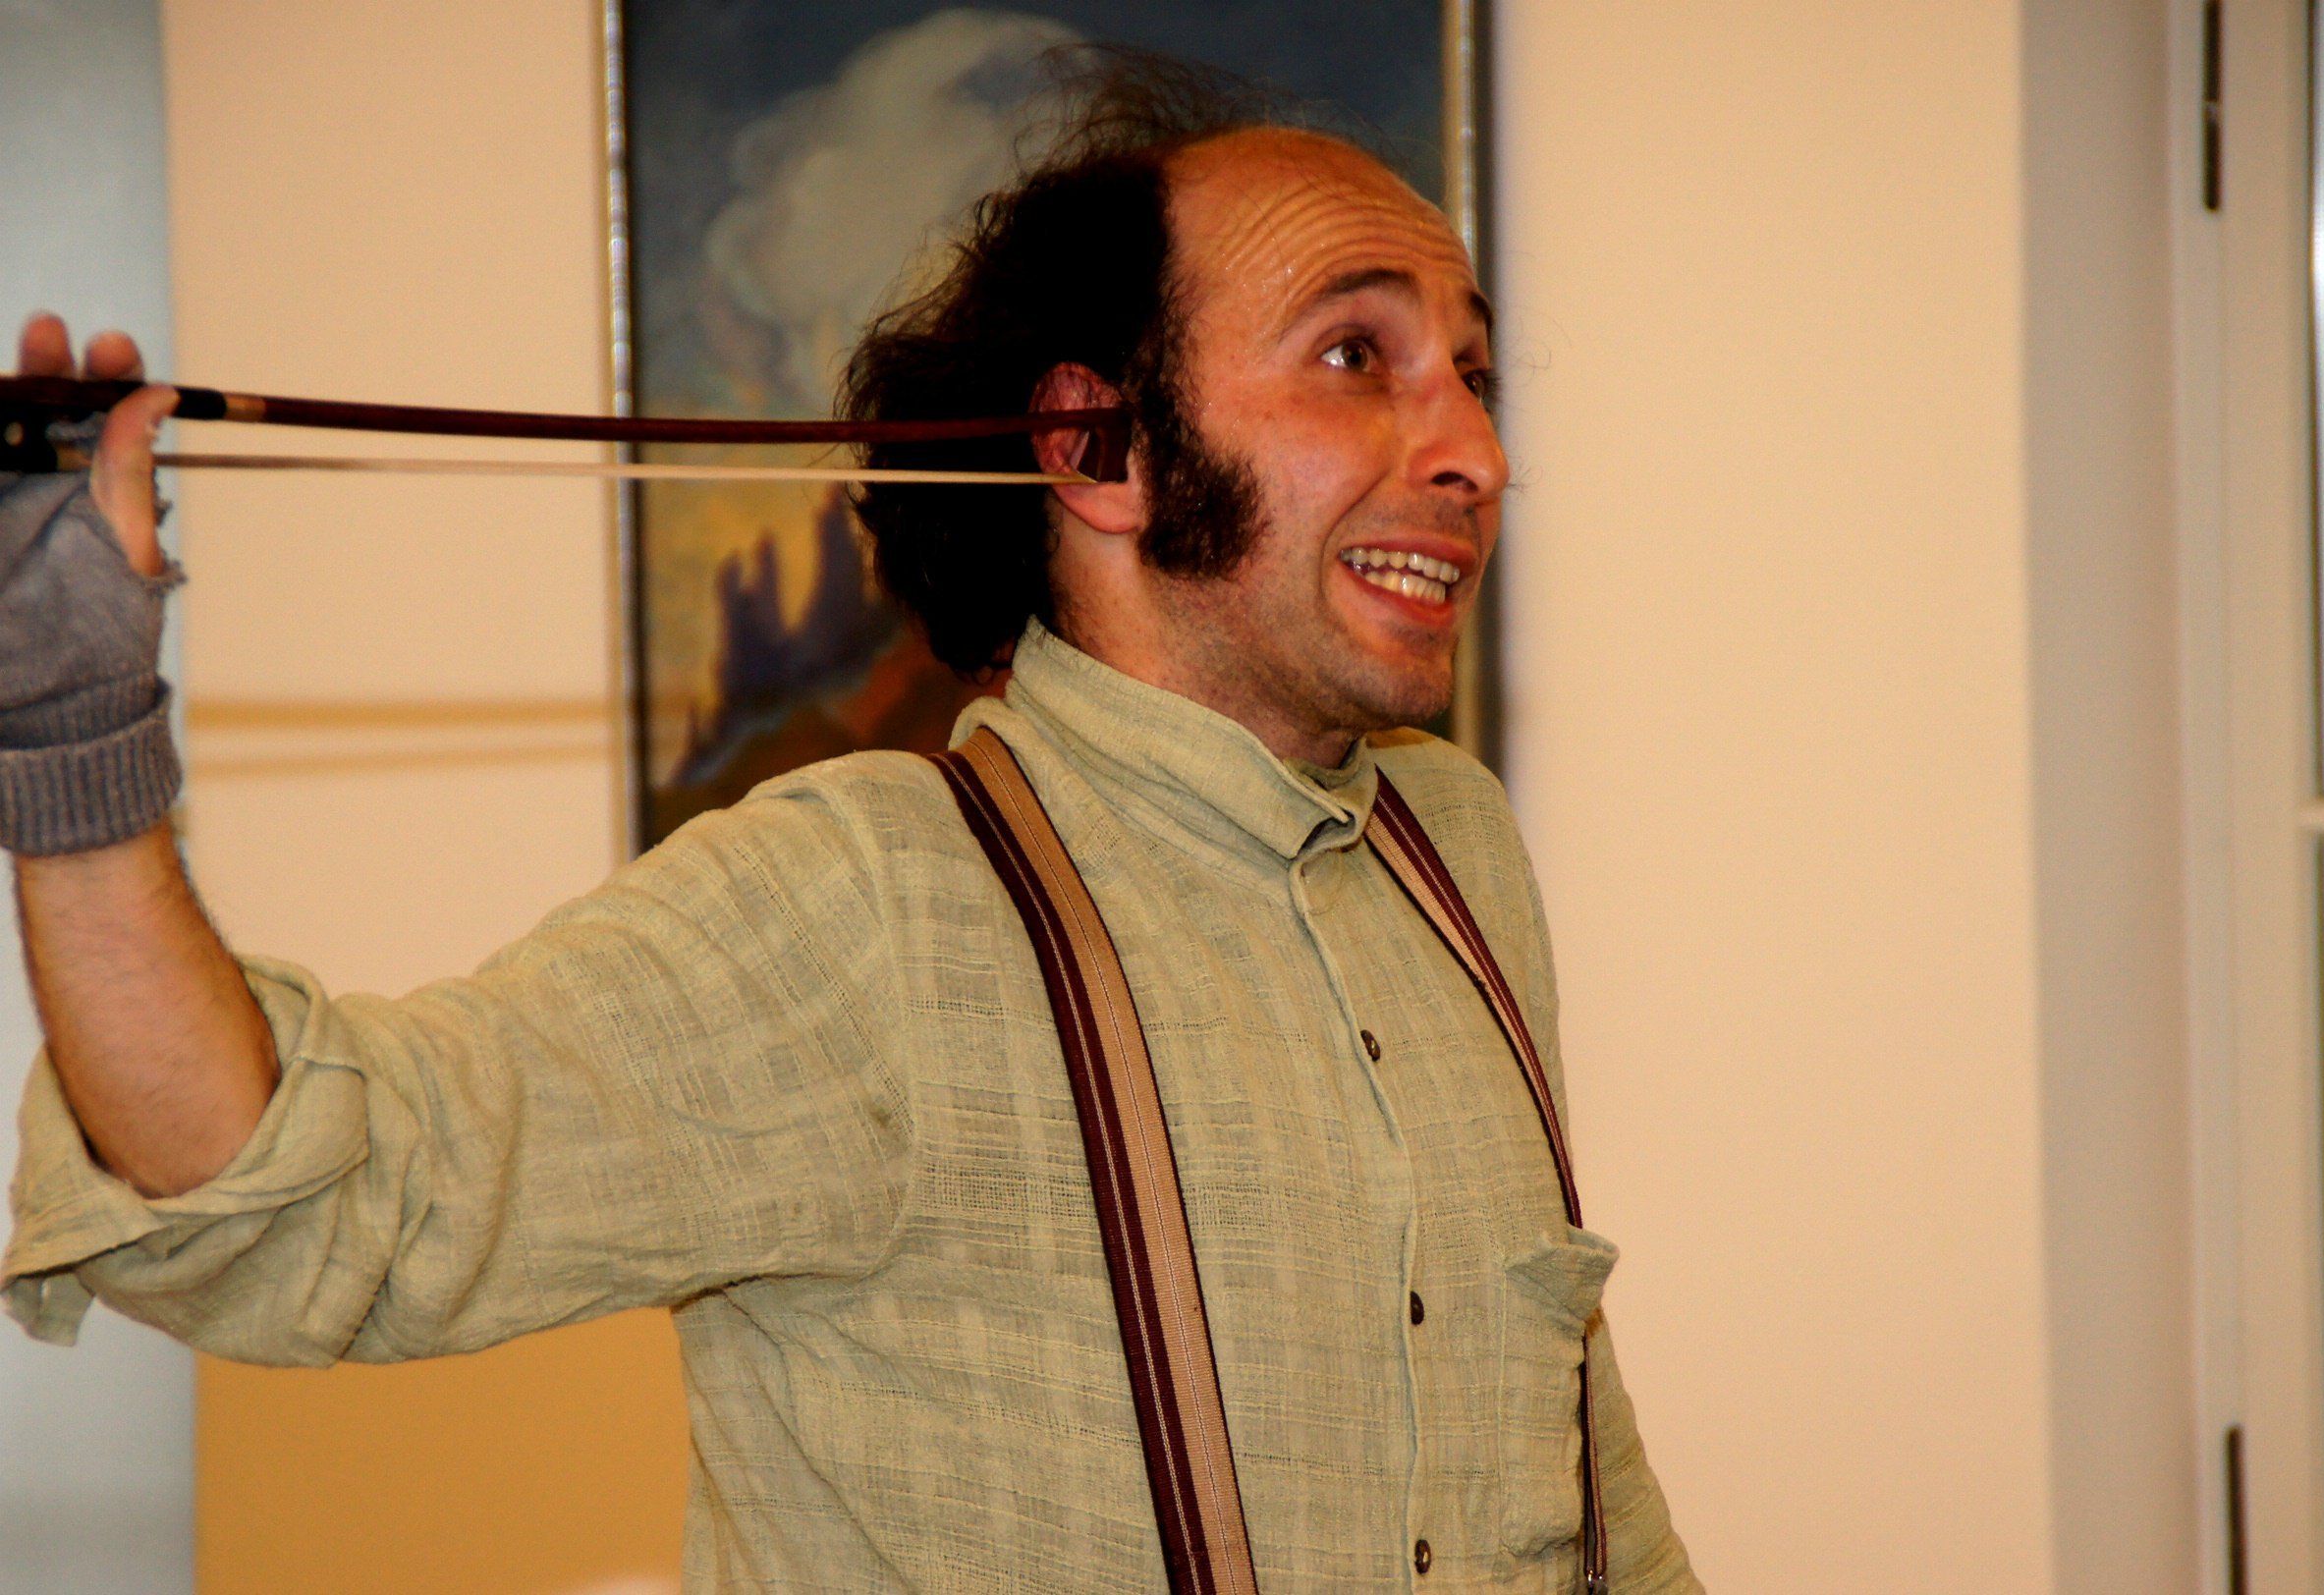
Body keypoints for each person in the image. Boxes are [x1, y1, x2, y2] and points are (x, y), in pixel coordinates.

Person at [0, 56, 1699, 1593]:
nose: (1475, 450)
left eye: (1473, 373)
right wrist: (76, 734)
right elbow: (291, 1198)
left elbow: (1580, 1459)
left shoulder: (1455, 846)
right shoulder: (864, 900)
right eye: (1355, 355)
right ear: (1095, 445)